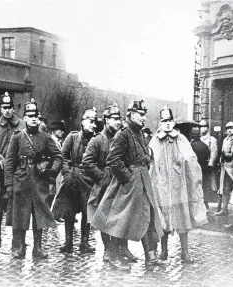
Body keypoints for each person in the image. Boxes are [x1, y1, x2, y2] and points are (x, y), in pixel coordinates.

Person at [92, 100, 165, 268]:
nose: (144, 118)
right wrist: (128, 178)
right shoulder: (122, 134)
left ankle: (151, 256)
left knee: (148, 215)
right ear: (132, 115)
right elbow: (113, 160)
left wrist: (147, 159)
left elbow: (143, 156)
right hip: (129, 184)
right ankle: (112, 255)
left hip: (143, 181)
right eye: (141, 115)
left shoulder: (139, 133)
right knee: (121, 219)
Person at [149, 106, 207, 263]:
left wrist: (192, 179)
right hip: (162, 187)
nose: (167, 124)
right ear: (160, 123)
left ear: (173, 122)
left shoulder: (181, 139)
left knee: (183, 219)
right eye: (164, 121)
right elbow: (151, 164)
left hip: (179, 187)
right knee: (164, 220)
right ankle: (164, 251)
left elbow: (191, 160)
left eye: (169, 121)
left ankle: (185, 252)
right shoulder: (154, 141)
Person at [4, 102, 62, 259]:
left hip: (39, 180)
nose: (33, 119)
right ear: (25, 118)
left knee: (39, 215)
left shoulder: (46, 137)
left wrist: (51, 171)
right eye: (30, 116)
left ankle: (38, 247)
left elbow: (58, 157)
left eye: (36, 116)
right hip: (21, 179)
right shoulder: (17, 137)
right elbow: (9, 162)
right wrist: (9, 183)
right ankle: (20, 247)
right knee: (20, 214)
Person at [83, 103, 136, 270]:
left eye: (119, 118)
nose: (118, 122)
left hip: (122, 184)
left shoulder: (122, 138)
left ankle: (123, 248)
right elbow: (87, 162)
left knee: (122, 216)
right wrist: (102, 177)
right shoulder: (97, 140)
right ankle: (109, 252)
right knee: (106, 219)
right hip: (106, 187)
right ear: (106, 120)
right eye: (114, 119)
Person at [52, 108, 98, 253]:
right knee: (69, 211)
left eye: (95, 122)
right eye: (90, 121)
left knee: (87, 211)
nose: (93, 125)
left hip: (89, 180)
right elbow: (62, 156)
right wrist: (67, 173)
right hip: (73, 178)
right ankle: (68, 242)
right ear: (83, 122)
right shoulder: (72, 137)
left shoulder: (96, 140)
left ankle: (84, 242)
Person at [0, 92, 26, 249]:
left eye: (10, 107)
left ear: (14, 108)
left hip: (18, 172)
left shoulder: (22, 125)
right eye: (5, 107)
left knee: (17, 206)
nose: (8, 111)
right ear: (0, 109)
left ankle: (16, 241)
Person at [216, 121, 233, 216]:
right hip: (225, 167)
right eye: (228, 128)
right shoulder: (226, 139)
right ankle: (224, 209)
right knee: (225, 189)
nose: (229, 130)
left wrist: (228, 155)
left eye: (231, 128)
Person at [199, 120, 219, 210]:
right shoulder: (198, 139)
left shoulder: (212, 139)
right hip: (199, 165)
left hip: (207, 166)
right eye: (201, 126)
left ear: (207, 127)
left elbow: (214, 153)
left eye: (204, 126)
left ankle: (207, 202)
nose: (202, 128)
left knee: (208, 185)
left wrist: (210, 164)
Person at [48, 120, 66, 207]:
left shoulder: (60, 141)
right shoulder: (51, 140)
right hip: (52, 170)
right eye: (60, 130)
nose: (62, 132)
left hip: (58, 173)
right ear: (54, 130)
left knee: (55, 193)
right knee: (50, 194)